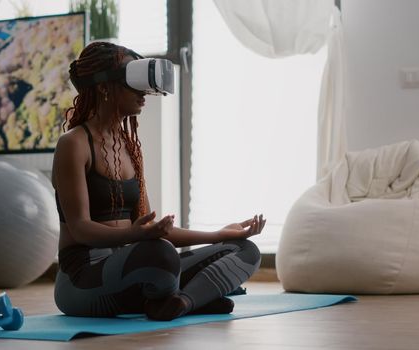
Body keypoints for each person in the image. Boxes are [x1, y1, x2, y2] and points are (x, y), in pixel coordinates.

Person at [52, 42, 266, 321]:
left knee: (245, 250)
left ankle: (181, 303)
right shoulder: (74, 144)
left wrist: (220, 234)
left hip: (133, 270)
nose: (144, 93)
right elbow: (80, 229)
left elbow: (151, 229)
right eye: (134, 83)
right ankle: (197, 294)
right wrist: (136, 235)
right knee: (160, 256)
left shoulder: (129, 148)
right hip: (83, 281)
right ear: (104, 87)